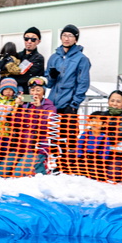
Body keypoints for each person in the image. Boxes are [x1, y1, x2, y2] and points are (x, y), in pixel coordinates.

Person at [46, 24, 91, 173]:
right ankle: (52, 165)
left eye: (70, 36)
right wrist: (51, 77)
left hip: (69, 103)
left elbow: (83, 82)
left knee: (68, 137)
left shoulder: (81, 59)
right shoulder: (54, 57)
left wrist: (74, 103)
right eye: (64, 35)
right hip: (53, 103)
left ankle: (67, 167)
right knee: (52, 135)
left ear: (76, 39)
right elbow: (49, 83)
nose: (66, 38)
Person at [0, 76, 55, 177]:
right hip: (22, 147)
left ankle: (42, 170)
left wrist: (39, 108)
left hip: (38, 148)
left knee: (18, 174)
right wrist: (17, 107)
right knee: (1, 171)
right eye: (32, 90)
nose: (35, 93)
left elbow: (46, 126)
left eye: (38, 90)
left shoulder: (49, 106)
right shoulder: (26, 106)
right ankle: (32, 167)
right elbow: (15, 124)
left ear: (44, 92)